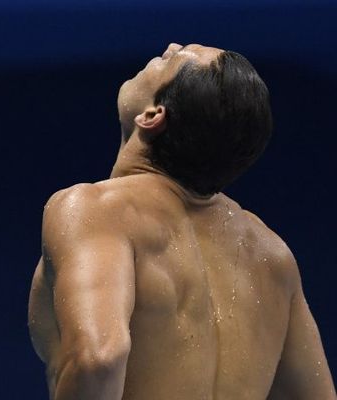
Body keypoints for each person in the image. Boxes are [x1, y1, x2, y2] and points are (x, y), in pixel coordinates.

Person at [27, 43, 336, 399]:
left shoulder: (97, 210)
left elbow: (99, 358)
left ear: (152, 116)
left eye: (175, 57)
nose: (170, 47)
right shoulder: (272, 256)